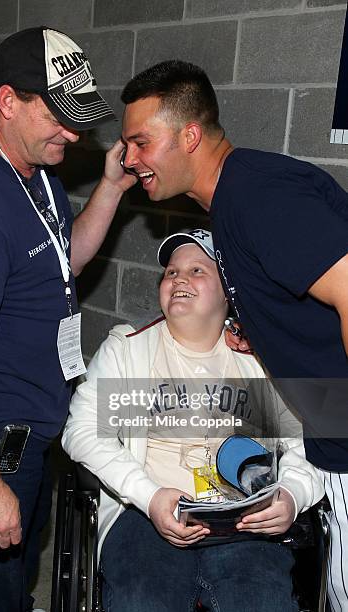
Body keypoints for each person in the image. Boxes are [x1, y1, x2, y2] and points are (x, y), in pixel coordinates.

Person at [0, 27, 135, 612]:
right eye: (60, 115)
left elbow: (66, 259)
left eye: (80, 115)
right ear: (8, 102)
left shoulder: (35, 170)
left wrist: (111, 189)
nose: (74, 132)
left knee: (14, 572)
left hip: (35, 422)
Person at [119, 60, 348, 609]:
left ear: (190, 135)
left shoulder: (256, 196)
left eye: (140, 143)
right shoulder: (236, 202)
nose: (130, 161)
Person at [62, 228, 324, 612]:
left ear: (229, 291)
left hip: (244, 519)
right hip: (147, 514)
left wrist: (292, 493)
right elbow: (80, 431)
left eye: (198, 270)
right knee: (142, 599)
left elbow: (308, 440)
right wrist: (148, 496)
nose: (179, 278)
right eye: (171, 272)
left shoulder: (260, 358)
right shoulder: (128, 347)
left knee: (261, 600)